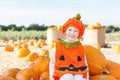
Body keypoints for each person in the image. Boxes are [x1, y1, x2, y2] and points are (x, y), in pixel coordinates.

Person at [49, 13, 89, 80]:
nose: (72, 33)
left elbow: (85, 64)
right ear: (65, 31)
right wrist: (51, 78)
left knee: (79, 78)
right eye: (70, 30)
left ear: (79, 34)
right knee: (67, 77)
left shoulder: (80, 47)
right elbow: (52, 63)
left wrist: (87, 78)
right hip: (62, 71)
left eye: (75, 31)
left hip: (78, 71)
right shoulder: (58, 46)